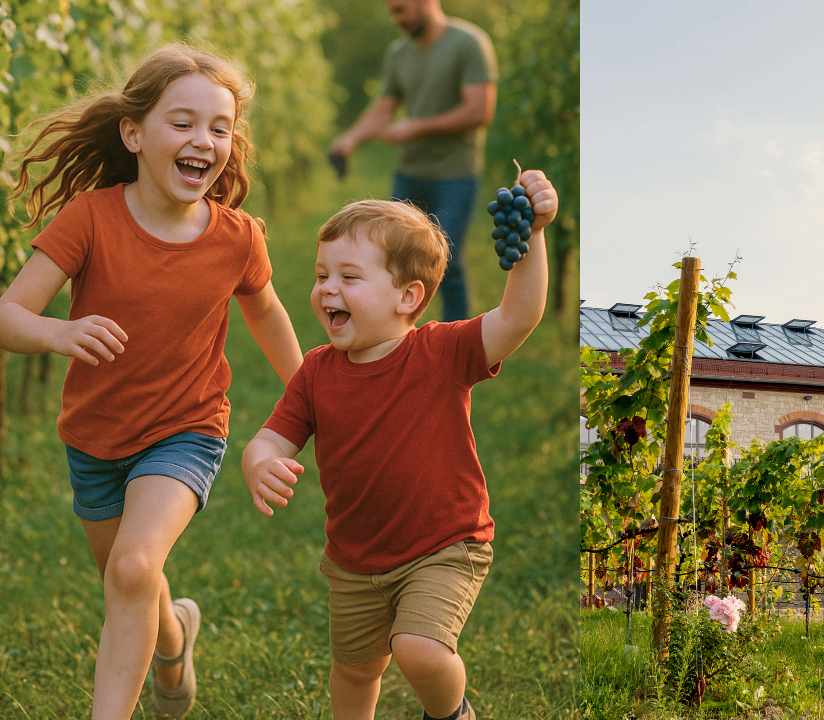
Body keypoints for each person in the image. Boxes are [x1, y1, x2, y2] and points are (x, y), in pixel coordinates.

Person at [0, 44, 303, 718]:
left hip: (187, 430)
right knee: (130, 578)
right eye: (184, 123)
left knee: (134, 568)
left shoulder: (236, 238)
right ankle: (174, 640)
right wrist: (58, 333)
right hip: (94, 437)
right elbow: (9, 315)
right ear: (133, 134)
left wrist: (316, 396)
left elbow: (270, 317)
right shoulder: (91, 220)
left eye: (220, 128)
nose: (205, 141)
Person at [240, 170, 557, 720]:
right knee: (355, 669)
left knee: (419, 649)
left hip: (445, 544)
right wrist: (261, 462)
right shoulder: (316, 372)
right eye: (322, 275)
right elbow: (271, 438)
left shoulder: (442, 351)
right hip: (355, 559)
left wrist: (531, 238)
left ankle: (453, 715)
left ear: (408, 296)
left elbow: (519, 316)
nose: (327, 290)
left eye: (349, 277)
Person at [329, 0, 498, 323]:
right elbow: (384, 108)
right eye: (392, 11)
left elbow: (480, 110)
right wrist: (350, 140)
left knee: (447, 263)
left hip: (454, 173)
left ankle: (455, 338)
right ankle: (391, 335)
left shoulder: (468, 43)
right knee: (394, 258)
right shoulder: (399, 54)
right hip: (409, 172)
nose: (397, 19)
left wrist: (415, 127)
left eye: (401, 10)